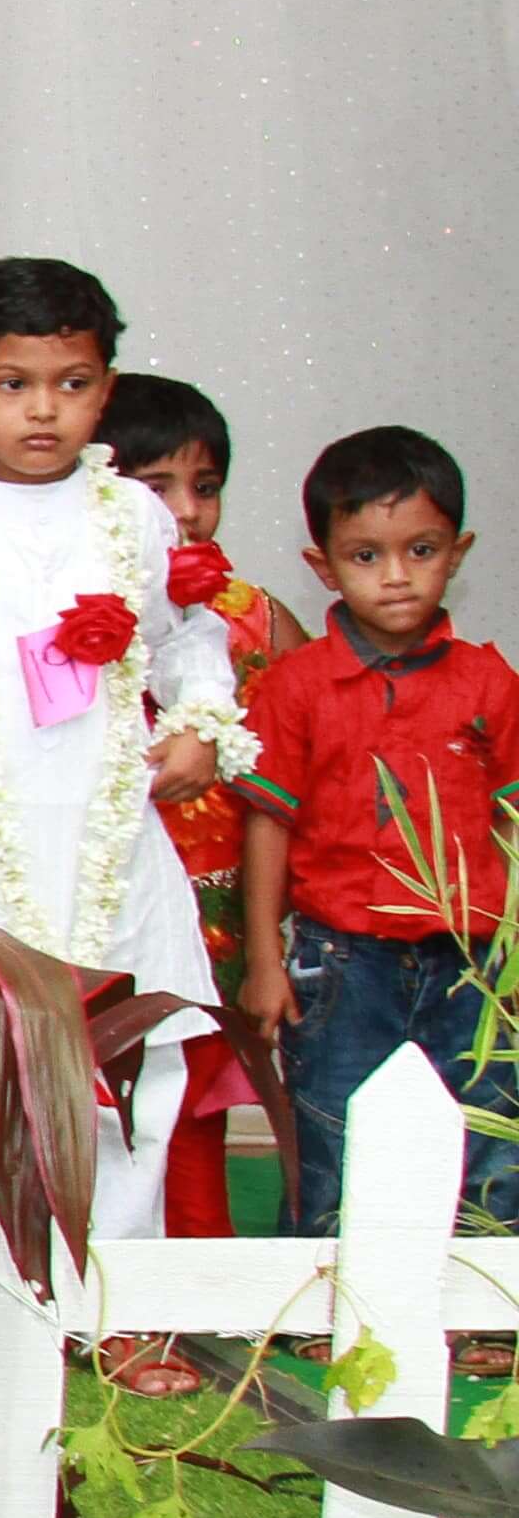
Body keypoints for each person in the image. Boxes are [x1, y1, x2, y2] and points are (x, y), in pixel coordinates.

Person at [0, 259, 252, 1242]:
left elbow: (193, 641)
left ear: (105, 390)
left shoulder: (136, 517)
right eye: (12, 384)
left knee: (132, 1063)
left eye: (71, 385)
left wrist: (200, 723)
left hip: (102, 833)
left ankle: (113, 1276)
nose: (42, 410)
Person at [234, 427, 519, 1237]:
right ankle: (323, 1290)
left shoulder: (490, 682)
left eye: (420, 550)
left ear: (457, 552)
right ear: (324, 566)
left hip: (473, 958)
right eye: (366, 556)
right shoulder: (295, 687)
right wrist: (265, 961)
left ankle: (488, 1289)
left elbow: (513, 821)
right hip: (342, 960)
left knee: (489, 1134)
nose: (396, 576)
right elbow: (268, 825)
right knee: (333, 1131)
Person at [103, 371, 308, 1234]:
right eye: (158, 488)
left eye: (207, 485)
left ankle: (187, 1280)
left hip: (217, 919)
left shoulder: (254, 621)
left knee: (188, 1108)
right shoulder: (62, 614)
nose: (188, 512)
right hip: (95, 914)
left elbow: (303, 777)